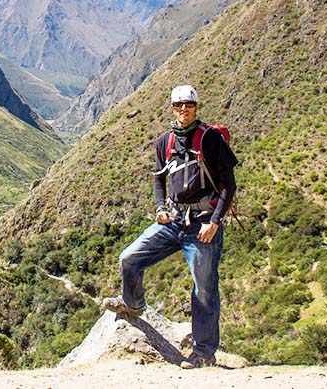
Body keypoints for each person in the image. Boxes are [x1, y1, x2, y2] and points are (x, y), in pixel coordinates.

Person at [102, 85, 238, 369]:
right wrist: (161, 207)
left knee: (204, 288)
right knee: (129, 258)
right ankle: (133, 303)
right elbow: (158, 180)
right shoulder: (165, 141)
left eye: (188, 104)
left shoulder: (210, 139)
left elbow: (229, 185)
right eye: (178, 105)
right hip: (173, 220)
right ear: (172, 108)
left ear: (196, 107)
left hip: (202, 224)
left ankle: (203, 352)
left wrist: (215, 222)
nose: (183, 109)